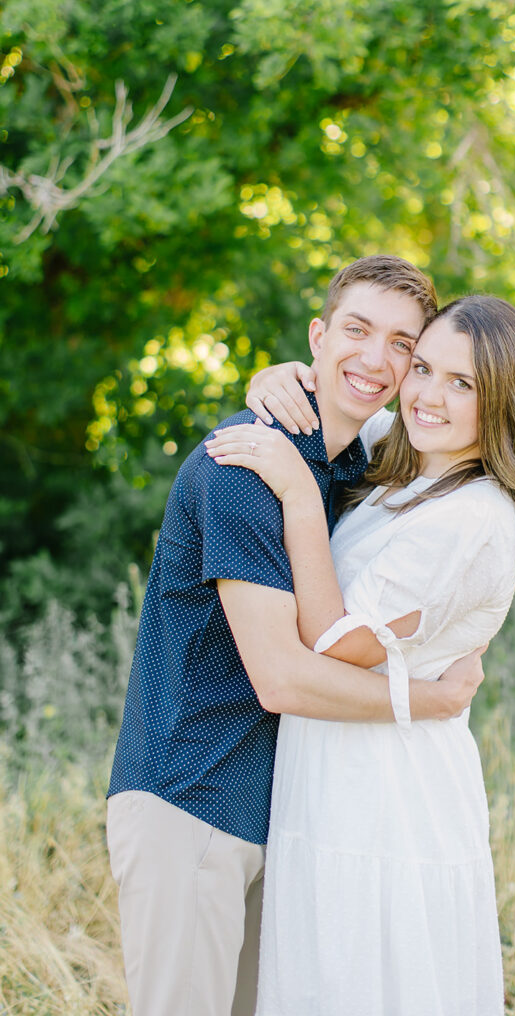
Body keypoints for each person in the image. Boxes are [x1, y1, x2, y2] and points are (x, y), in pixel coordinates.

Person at [105, 256, 488, 1016]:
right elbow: (280, 676)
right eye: (356, 330)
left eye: (402, 345)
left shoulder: (351, 465)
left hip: (274, 817)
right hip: (189, 801)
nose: (376, 359)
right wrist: (431, 702)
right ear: (318, 335)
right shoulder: (246, 465)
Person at [205, 294, 515, 1016]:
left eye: (461, 383)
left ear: (500, 399)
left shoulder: (470, 516)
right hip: (335, 776)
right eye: (423, 367)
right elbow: (336, 402)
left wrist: (300, 499)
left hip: (387, 798)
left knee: (369, 982)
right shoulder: (411, 464)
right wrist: (277, 381)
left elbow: (339, 645)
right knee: (322, 979)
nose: (428, 396)